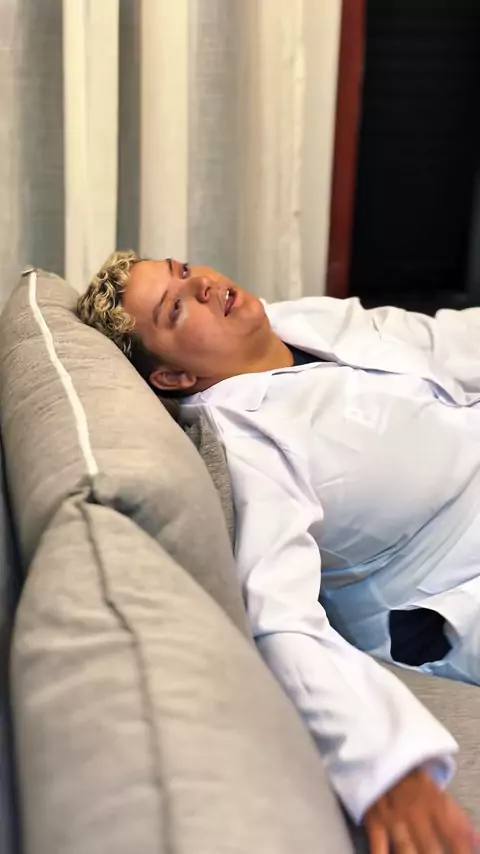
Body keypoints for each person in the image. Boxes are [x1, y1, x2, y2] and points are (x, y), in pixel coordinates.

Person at [78, 251, 480, 854]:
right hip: (455, 590)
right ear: (175, 378)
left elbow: (437, 340)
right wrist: (386, 767)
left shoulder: (297, 322)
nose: (203, 285)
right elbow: (279, 619)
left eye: (184, 271)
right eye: (175, 309)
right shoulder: (249, 445)